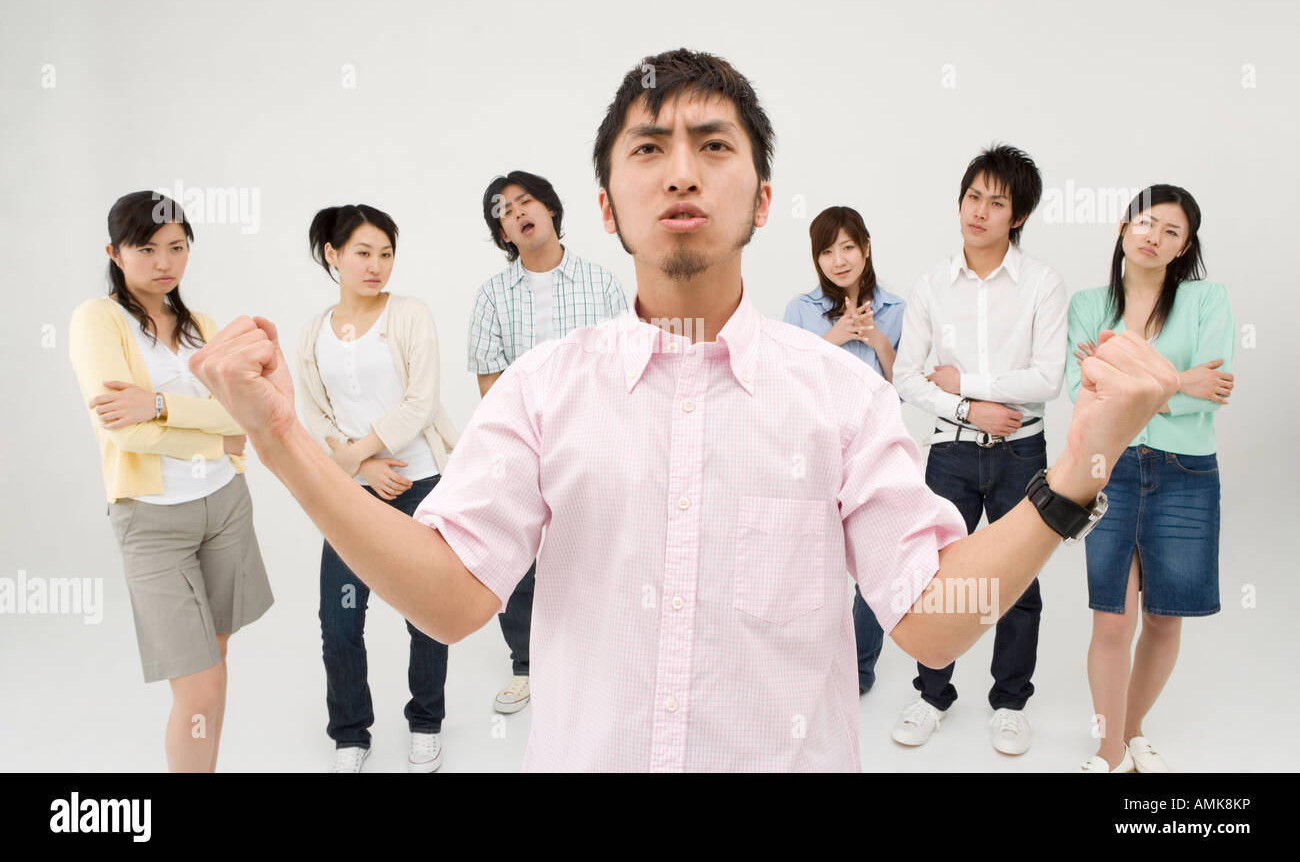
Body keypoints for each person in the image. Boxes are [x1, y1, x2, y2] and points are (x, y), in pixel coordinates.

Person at [189, 49, 1177, 772]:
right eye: (649, 147)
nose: (680, 168)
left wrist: (1076, 465)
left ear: (760, 199)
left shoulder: (840, 392)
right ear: (609, 207)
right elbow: (450, 599)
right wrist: (280, 438)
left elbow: (927, 623)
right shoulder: (541, 390)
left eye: (713, 144)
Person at [68, 190, 273, 772]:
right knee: (199, 686)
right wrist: (216, 437)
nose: (165, 262)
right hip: (153, 520)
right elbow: (125, 434)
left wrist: (156, 402)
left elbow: (246, 415)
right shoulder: (97, 320)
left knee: (216, 659)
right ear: (115, 252)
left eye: (178, 247)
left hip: (225, 507)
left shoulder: (201, 325)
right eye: (147, 249)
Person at [890, 144, 1067, 755]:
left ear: (1016, 216)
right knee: (935, 576)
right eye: (973, 197)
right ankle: (932, 693)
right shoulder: (932, 285)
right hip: (953, 452)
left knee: (1018, 582)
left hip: (1022, 451)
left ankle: (1011, 701)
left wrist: (964, 383)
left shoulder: (1042, 283)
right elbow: (907, 377)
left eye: (997, 202)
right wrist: (969, 411)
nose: (980, 212)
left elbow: (1048, 378)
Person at [1066, 184, 1233, 773]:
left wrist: (1136, 384)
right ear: (1122, 226)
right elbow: (1082, 392)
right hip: (1108, 469)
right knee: (1111, 617)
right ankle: (1110, 754)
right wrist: (1178, 382)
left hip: (1186, 473)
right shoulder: (1089, 305)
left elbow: (1214, 389)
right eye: (1147, 223)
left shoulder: (1207, 300)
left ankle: (1133, 731)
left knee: (1164, 617)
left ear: (1184, 248)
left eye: (1172, 233)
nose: (1155, 238)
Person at [296, 204, 460, 773]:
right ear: (332, 255)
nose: (376, 266)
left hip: (421, 482)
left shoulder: (409, 314)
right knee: (339, 616)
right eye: (363, 253)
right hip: (355, 491)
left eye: (386, 254)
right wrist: (363, 469)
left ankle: (426, 722)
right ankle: (350, 732)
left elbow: (421, 399)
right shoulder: (315, 332)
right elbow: (315, 413)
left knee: (427, 614)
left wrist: (361, 454)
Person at [467, 170, 627, 715]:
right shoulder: (491, 295)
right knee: (516, 559)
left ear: (552, 210)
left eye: (526, 201)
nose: (516, 212)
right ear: (503, 233)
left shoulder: (601, 283)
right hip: (520, 447)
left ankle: (598, 654)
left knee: (598, 550)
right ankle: (527, 665)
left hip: (593, 442)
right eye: (504, 211)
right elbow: (490, 380)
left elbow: (621, 370)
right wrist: (524, 441)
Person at [783, 206, 905, 695]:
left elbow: (905, 382)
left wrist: (873, 335)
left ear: (866, 248)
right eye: (827, 251)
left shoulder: (896, 309)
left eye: (848, 247)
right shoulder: (800, 310)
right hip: (814, 450)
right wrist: (835, 336)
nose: (838, 260)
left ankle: (857, 668)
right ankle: (810, 660)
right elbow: (787, 384)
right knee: (812, 559)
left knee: (876, 563)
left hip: (874, 448)